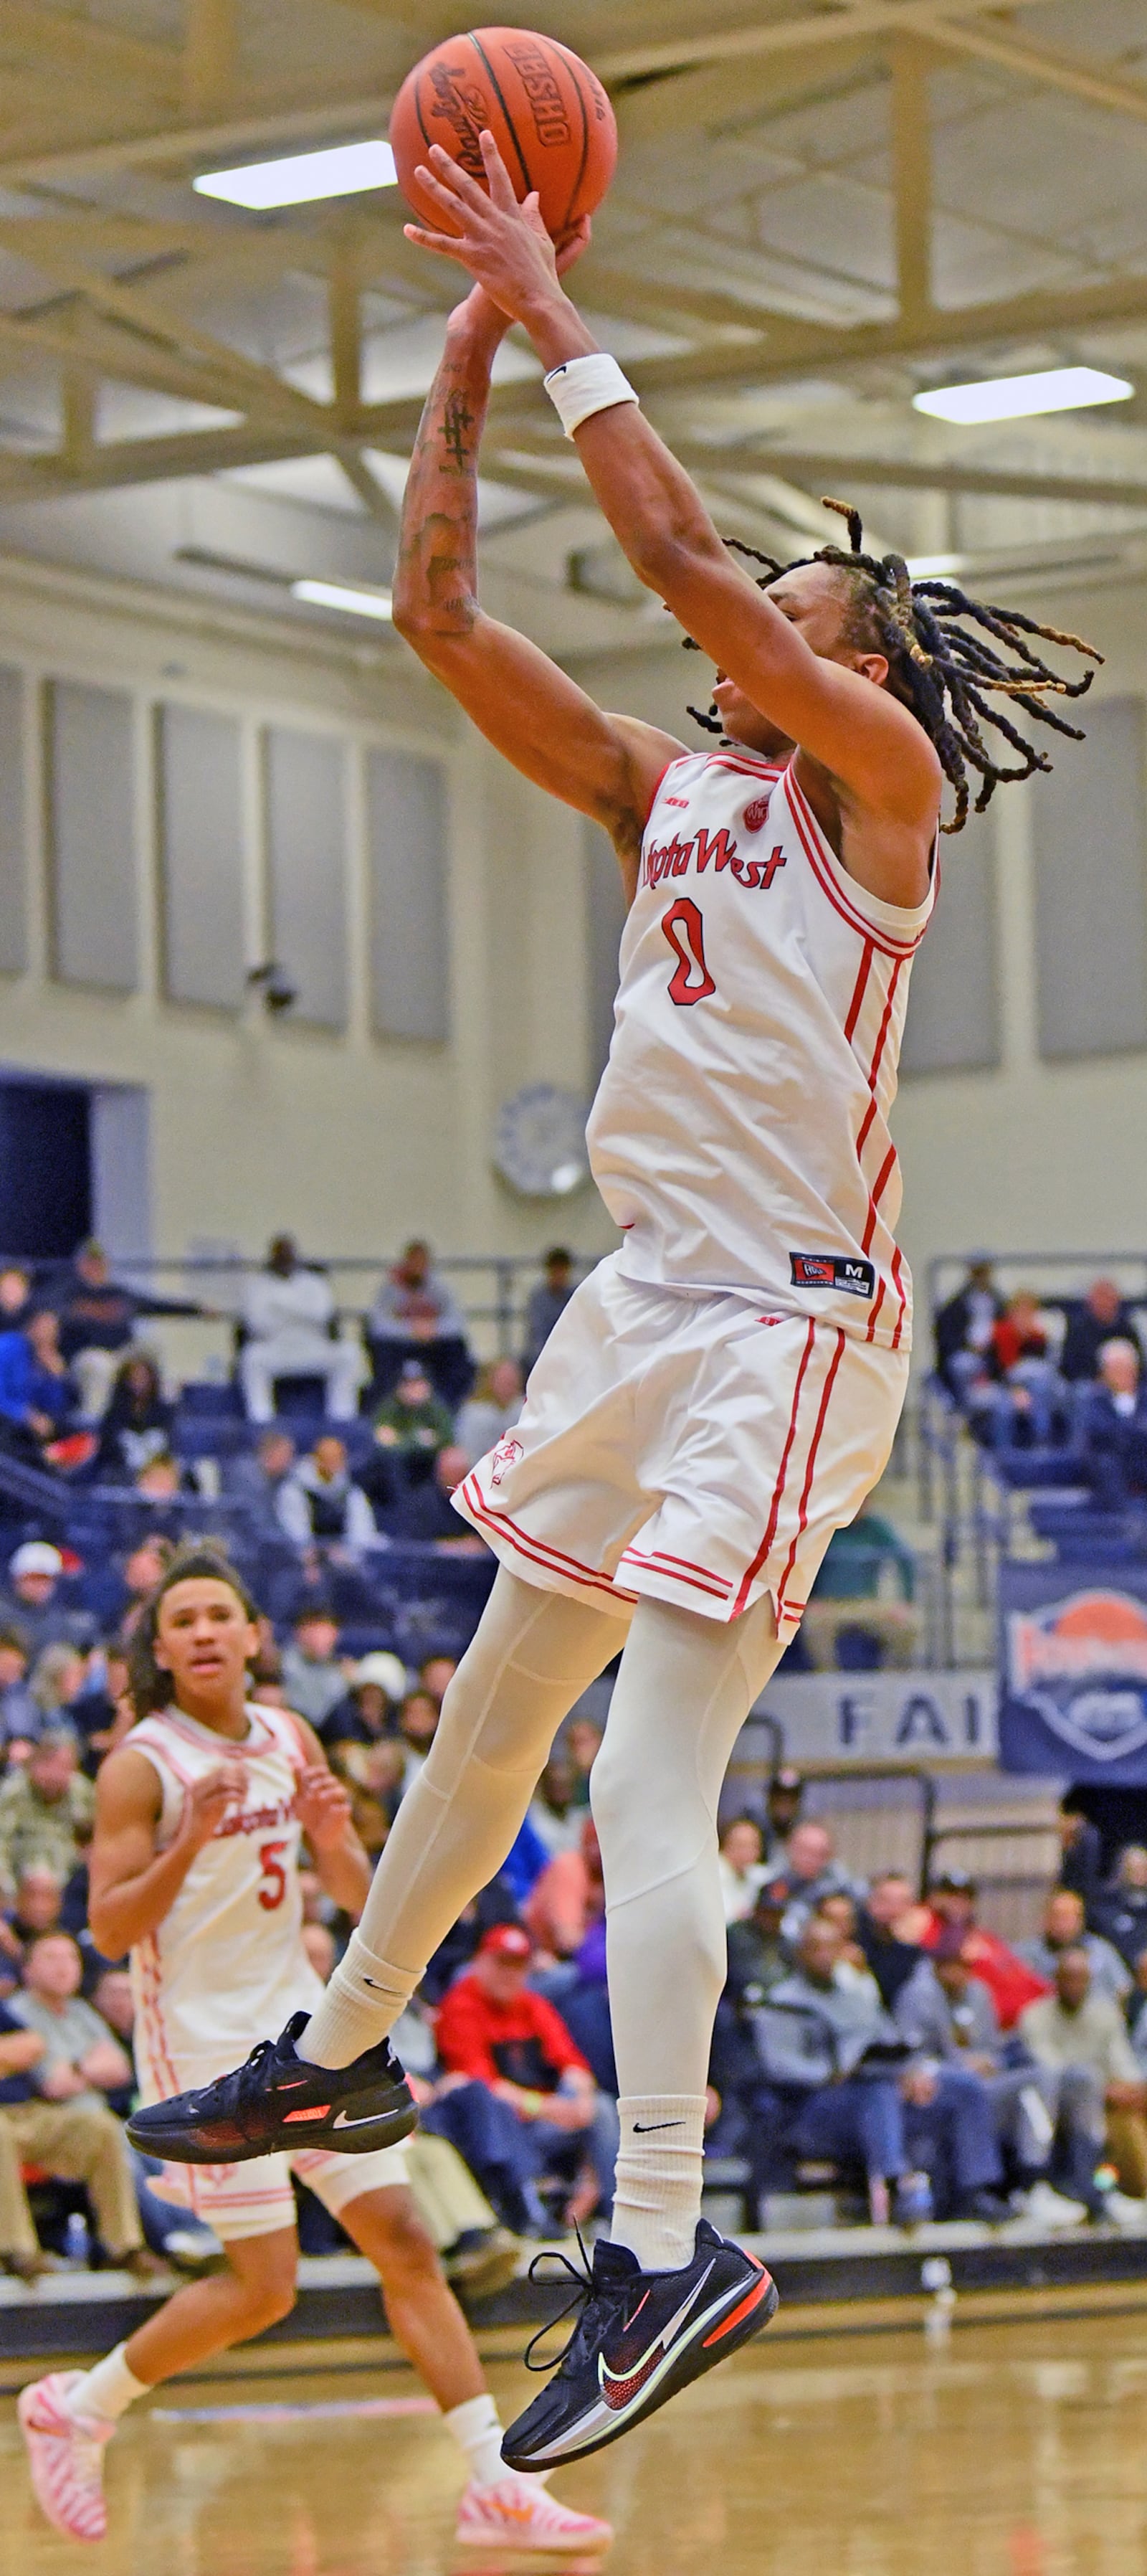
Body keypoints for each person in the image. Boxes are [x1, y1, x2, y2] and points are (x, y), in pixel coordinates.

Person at [138, 136, 1100, 2466]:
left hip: (786, 1319)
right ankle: (352, 2034)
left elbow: (682, 550)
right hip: (642, 1301)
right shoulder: (671, 790)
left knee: (651, 1783)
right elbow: (443, 617)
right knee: (487, 1725)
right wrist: (464, 357)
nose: (713, 621)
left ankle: (668, 2247)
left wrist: (555, 297)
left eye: (779, 606)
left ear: (857, 658)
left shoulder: (881, 793)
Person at [20, 1544, 607, 2553]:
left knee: (410, 2245)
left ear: (254, 1635)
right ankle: (82, 2405)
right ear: (159, 1648)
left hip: (303, 2035)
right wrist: (184, 1842)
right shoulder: (140, 1765)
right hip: (202, 2054)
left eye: (221, 1615)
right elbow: (110, 1932)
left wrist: (335, 1835)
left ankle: (494, 2484)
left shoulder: (290, 1735)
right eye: (184, 1621)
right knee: (265, 2287)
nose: (205, 1632)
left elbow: (348, 1895)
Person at [434, 1922, 616, 2235]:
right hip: (498, 2128)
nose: (510, 1974)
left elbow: (573, 2065)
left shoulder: (533, 2005)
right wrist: (551, 2108)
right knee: (496, 2107)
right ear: (480, 1962)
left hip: (544, 2120)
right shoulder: (461, 2006)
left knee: (599, 2107)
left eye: (518, 1965)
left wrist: (579, 2096)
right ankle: (529, 2212)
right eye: (502, 1963)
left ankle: (613, 2211)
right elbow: (483, 2085)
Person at [0, 1997, 149, 2285]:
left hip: (28, 2112)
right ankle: (16, 2250)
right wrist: (10, 2055)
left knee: (99, 2127)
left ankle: (124, 2247)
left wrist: (14, 2053)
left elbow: (33, 2044)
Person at [1019, 1947, 1147, 2207]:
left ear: (1090, 1981)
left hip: (1102, 2103)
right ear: (1056, 1979)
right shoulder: (1035, 2016)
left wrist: (1133, 2089)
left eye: (1081, 1978)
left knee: (1128, 2115)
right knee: (1088, 2095)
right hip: (1052, 2106)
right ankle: (1081, 2192)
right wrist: (1105, 2090)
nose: (1074, 1985)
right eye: (1068, 1977)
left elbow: (1122, 2063)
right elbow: (1053, 2073)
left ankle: (1118, 2190)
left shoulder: (1106, 2014)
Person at [49, 1240, 208, 1424]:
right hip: (86, 1357)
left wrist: (197, 1310)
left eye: (98, 1262)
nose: (94, 1268)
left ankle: (164, 1400)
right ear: (80, 1266)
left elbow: (156, 1306)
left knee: (151, 1345)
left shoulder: (119, 1295)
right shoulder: (67, 1295)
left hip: (122, 1353)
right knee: (101, 1365)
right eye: (89, 1263)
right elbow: (42, 1316)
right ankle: (91, 1422)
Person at [239, 1236, 363, 1425]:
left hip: (313, 1346)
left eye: (288, 1254)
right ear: (272, 1257)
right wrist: (300, 1311)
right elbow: (257, 1323)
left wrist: (280, 1308)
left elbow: (322, 1314)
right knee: (251, 1358)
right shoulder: (258, 1285)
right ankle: (261, 1421)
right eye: (280, 1255)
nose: (285, 1259)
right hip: (276, 1348)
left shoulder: (314, 1282)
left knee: (349, 1353)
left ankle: (341, 1418)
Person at [9, 1931, 133, 2113]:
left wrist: (75, 2070)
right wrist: (91, 2065)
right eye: (51, 1958)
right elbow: (54, 2085)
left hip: (102, 2119)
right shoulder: (17, 2012)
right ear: (27, 1970)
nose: (63, 1966)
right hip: (51, 2123)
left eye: (72, 1958)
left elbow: (121, 2069)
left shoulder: (81, 2010)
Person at [368, 1240, 473, 1406]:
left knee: (457, 1351)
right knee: (383, 1352)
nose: (417, 1267)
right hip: (400, 1345)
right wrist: (411, 1330)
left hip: (434, 1343)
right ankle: (387, 1406)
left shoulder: (441, 1287)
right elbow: (378, 1325)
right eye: (413, 1262)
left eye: (421, 1262)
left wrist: (433, 1329)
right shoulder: (390, 1288)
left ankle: (449, 1406)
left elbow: (457, 1323)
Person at [0, 1728, 95, 1900]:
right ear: (34, 1765)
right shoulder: (13, 1792)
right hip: (19, 1888)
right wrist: (8, 1891)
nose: (54, 1775)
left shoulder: (82, 1792)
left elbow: (96, 1842)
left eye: (64, 1768)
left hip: (70, 1889)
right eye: (48, 1765)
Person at [1019, 1887, 1131, 2006]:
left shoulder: (1101, 1951)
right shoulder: (1025, 1955)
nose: (1062, 1924)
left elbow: (1123, 1990)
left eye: (1068, 1917)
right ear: (1045, 1918)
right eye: (1057, 1916)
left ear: (1081, 1920)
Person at [276, 1434, 379, 1557]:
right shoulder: (295, 1490)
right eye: (329, 1459)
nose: (334, 1464)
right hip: (309, 1560)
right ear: (317, 1459)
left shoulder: (350, 1492)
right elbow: (296, 1535)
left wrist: (349, 1555)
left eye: (338, 1459)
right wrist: (318, 1554)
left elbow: (362, 1531)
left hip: (345, 1557)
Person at [0, 1307, 73, 1463]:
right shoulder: (8, 1346)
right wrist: (24, 1415)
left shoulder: (45, 1362)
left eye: (51, 1329)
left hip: (25, 1432)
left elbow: (54, 1408)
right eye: (42, 1326)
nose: (45, 1333)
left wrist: (56, 1378)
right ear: (32, 1324)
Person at [1079, 1339, 1147, 1506]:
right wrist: (1135, 1431)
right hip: (1111, 1469)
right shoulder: (1094, 1400)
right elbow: (1099, 1434)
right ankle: (1124, 1522)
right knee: (1106, 1463)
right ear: (1104, 1372)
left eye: (1126, 1367)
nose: (1122, 1373)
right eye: (1116, 1368)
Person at [368, 1360, 454, 1486]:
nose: (413, 1390)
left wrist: (400, 1439)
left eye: (418, 1383)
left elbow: (447, 1440)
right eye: (407, 1384)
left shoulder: (437, 1409)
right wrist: (418, 1440)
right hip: (397, 1469)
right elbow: (380, 1443)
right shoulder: (389, 1408)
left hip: (430, 1467)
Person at [94, 1353, 175, 1482]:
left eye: (144, 1377)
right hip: (121, 1476)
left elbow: (170, 1447)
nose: (139, 1382)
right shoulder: (114, 1415)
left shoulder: (165, 1413)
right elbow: (107, 1450)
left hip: (157, 1475)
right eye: (134, 1377)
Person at [934, 1260, 1002, 1398]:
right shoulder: (957, 1304)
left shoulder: (999, 1302)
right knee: (963, 1366)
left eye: (984, 1273)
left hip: (993, 1356)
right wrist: (968, 1346)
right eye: (978, 1273)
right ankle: (963, 1409)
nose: (981, 1278)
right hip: (965, 1353)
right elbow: (946, 1337)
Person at [279, 1607, 348, 1732]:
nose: (319, 1636)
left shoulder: (343, 1672)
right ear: (299, 1632)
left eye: (326, 1628)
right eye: (312, 1627)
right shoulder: (281, 1665)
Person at [1060, 1279, 1138, 1385]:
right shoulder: (1078, 1330)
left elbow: (1138, 1363)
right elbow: (1068, 1366)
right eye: (1100, 1298)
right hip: (1088, 1382)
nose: (1104, 1303)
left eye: (1108, 1298)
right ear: (1090, 1302)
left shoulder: (1127, 1329)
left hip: (1123, 1382)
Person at [456, 1359, 525, 1472]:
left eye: (512, 1381)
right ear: (489, 1381)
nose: (508, 1385)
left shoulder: (526, 1408)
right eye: (503, 1380)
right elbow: (468, 1454)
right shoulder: (474, 1413)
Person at [522, 1249, 576, 1378]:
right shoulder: (538, 1298)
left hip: (571, 1354)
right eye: (555, 1271)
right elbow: (537, 1334)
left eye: (562, 1271)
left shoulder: (576, 1296)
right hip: (542, 1355)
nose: (559, 1276)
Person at [1092, 1845, 1147, 1971]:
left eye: (1143, 1868)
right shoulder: (1106, 1907)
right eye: (1133, 1868)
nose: (1139, 1874)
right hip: (1117, 1971)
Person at [718, 1814, 767, 1925]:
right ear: (725, 1845)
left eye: (753, 1847)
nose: (748, 1853)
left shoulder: (755, 1873)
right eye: (741, 1846)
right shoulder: (715, 1873)